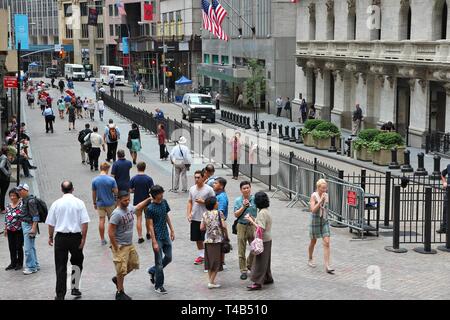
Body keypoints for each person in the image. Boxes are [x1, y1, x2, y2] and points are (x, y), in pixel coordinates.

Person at [46, 181, 90, 300]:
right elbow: (84, 222)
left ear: (61, 189)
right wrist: (83, 238)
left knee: (60, 266)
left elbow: (51, 223)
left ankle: (60, 294)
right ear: (72, 189)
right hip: (75, 237)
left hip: (60, 237)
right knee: (77, 262)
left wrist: (50, 236)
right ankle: (75, 288)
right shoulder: (79, 203)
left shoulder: (56, 203)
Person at [109, 191, 152, 300]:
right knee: (121, 269)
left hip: (129, 244)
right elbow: (110, 232)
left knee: (133, 264)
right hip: (120, 246)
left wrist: (148, 199)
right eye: (125, 200)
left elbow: (137, 206)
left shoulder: (129, 208)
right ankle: (119, 292)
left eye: (128, 200)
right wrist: (115, 246)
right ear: (118, 200)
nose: (127, 202)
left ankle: (118, 279)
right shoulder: (116, 214)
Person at [145, 185, 175, 294]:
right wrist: (153, 241)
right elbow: (150, 226)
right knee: (159, 263)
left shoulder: (164, 202)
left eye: (162, 193)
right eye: (160, 193)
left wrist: (172, 230)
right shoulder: (150, 208)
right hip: (157, 237)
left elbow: (166, 216)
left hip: (165, 235)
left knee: (169, 257)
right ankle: (159, 285)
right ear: (155, 195)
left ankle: (152, 271)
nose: (162, 195)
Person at [244, 192, 273, 290]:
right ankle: (268, 277)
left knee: (259, 262)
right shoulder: (266, 211)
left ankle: (257, 282)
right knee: (266, 260)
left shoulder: (261, 213)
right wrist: (253, 218)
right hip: (268, 239)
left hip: (263, 240)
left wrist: (250, 221)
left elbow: (260, 228)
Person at [187, 170, 215, 265]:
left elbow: (214, 203)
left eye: (198, 177)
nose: (196, 179)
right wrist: (189, 213)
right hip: (195, 217)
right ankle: (201, 255)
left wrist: (204, 202)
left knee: (207, 238)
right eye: (195, 177)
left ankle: (208, 255)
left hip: (206, 218)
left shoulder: (209, 189)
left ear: (203, 178)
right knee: (197, 238)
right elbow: (190, 201)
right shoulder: (192, 189)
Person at [200, 196, 228, 289]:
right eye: (217, 202)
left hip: (208, 240)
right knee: (217, 261)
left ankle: (211, 280)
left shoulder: (204, 214)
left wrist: (209, 227)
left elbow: (201, 227)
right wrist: (226, 235)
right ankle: (211, 282)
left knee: (209, 261)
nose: (218, 203)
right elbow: (224, 226)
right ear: (214, 204)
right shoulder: (219, 213)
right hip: (217, 240)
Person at [308, 179, 334, 274]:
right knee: (313, 241)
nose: (325, 190)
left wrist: (324, 202)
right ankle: (310, 258)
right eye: (323, 188)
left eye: (325, 188)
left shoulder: (326, 195)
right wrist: (320, 201)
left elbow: (325, 208)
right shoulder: (313, 196)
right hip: (315, 220)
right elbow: (313, 210)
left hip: (324, 220)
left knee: (327, 242)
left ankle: (327, 265)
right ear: (318, 188)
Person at [233, 181, 258, 280]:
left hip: (252, 226)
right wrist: (243, 206)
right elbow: (236, 214)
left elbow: (259, 211)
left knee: (255, 247)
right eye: (244, 188)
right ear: (241, 190)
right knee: (241, 249)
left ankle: (249, 264)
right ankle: (243, 270)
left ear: (250, 188)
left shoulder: (254, 199)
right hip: (241, 226)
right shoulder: (238, 200)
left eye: (248, 188)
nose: (246, 190)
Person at [16, 183, 40, 275]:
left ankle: (31, 267)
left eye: (20, 190)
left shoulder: (30, 201)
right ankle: (35, 264)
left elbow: (35, 216)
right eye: (18, 190)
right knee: (31, 247)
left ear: (26, 190)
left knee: (27, 248)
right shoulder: (25, 200)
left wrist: (33, 228)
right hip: (26, 225)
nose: (19, 192)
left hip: (29, 226)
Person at [92, 162, 118, 245]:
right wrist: (116, 201)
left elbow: (94, 193)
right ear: (107, 169)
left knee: (101, 220)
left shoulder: (95, 180)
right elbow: (116, 192)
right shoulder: (111, 180)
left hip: (100, 203)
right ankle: (112, 238)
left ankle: (102, 239)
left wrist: (94, 202)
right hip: (110, 203)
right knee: (112, 221)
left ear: (100, 168)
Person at [130, 162, 154, 243]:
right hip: (147, 201)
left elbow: (130, 190)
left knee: (139, 219)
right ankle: (148, 233)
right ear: (145, 168)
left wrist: (134, 190)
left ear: (137, 168)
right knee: (148, 218)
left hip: (137, 201)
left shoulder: (133, 178)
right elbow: (152, 190)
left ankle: (140, 237)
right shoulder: (149, 179)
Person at [4, 188, 24, 271]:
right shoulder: (8, 206)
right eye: (10, 196)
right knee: (11, 247)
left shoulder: (21, 205)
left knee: (18, 246)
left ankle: (20, 263)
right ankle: (13, 263)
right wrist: (5, 228)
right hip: (9, 230)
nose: (12, 197)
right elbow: (6, 218)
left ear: (17, 196)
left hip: (19, 229)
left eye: (14, 196)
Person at [438, 164, 450, 234]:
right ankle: (444, 227)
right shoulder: (449, 166)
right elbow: (442, 174)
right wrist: (444, 182)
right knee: (446, 208)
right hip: (448, 190)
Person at [0, 147, 12, 213]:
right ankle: (2, 209)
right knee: (3, 194)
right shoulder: (4, 157)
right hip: (4, 179)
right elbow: (1, 166)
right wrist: (7, 173)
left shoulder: (1, 156)